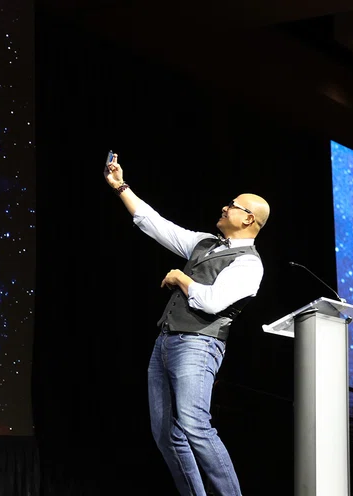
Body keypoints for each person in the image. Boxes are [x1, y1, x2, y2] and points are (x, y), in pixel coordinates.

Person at [104, 152, 270, 495]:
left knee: (194, 424)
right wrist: (121, 186)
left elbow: (212, 301)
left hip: (199, 344)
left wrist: (182, 278)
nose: (225, 207)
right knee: (165, 433)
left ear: (248, 219)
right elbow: (155, 224)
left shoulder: (249, 264)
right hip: (166, 341)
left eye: (233, 205)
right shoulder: (205, 243)